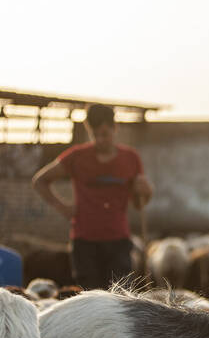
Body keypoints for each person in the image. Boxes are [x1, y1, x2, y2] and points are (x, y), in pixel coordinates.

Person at [32, 104, 152, 290]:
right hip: (84, 242)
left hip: (118, 241)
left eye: (105, 134)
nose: (100, 140)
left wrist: (146, 191)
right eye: (95, 135)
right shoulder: (76, 157)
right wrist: (62, 207)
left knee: (120, 297)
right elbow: (40, 180)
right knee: (89, 297)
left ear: (115, 128)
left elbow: (139, 203)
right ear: (89, 131)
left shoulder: (130, 158)